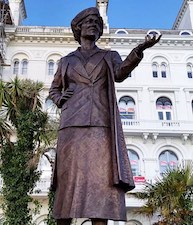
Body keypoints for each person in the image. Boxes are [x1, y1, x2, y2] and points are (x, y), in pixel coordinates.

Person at [49, 7, 161, 225]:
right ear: (78, 28)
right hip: (72, 126)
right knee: (67, 183)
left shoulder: (109, 56)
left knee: (100, 185)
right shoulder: (66, 61)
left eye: (96, 21)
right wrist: (60, 98)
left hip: (101, 125)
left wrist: (140, 49)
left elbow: (120, 74)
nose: (93, 24)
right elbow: (54, 89)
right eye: (88, 21)